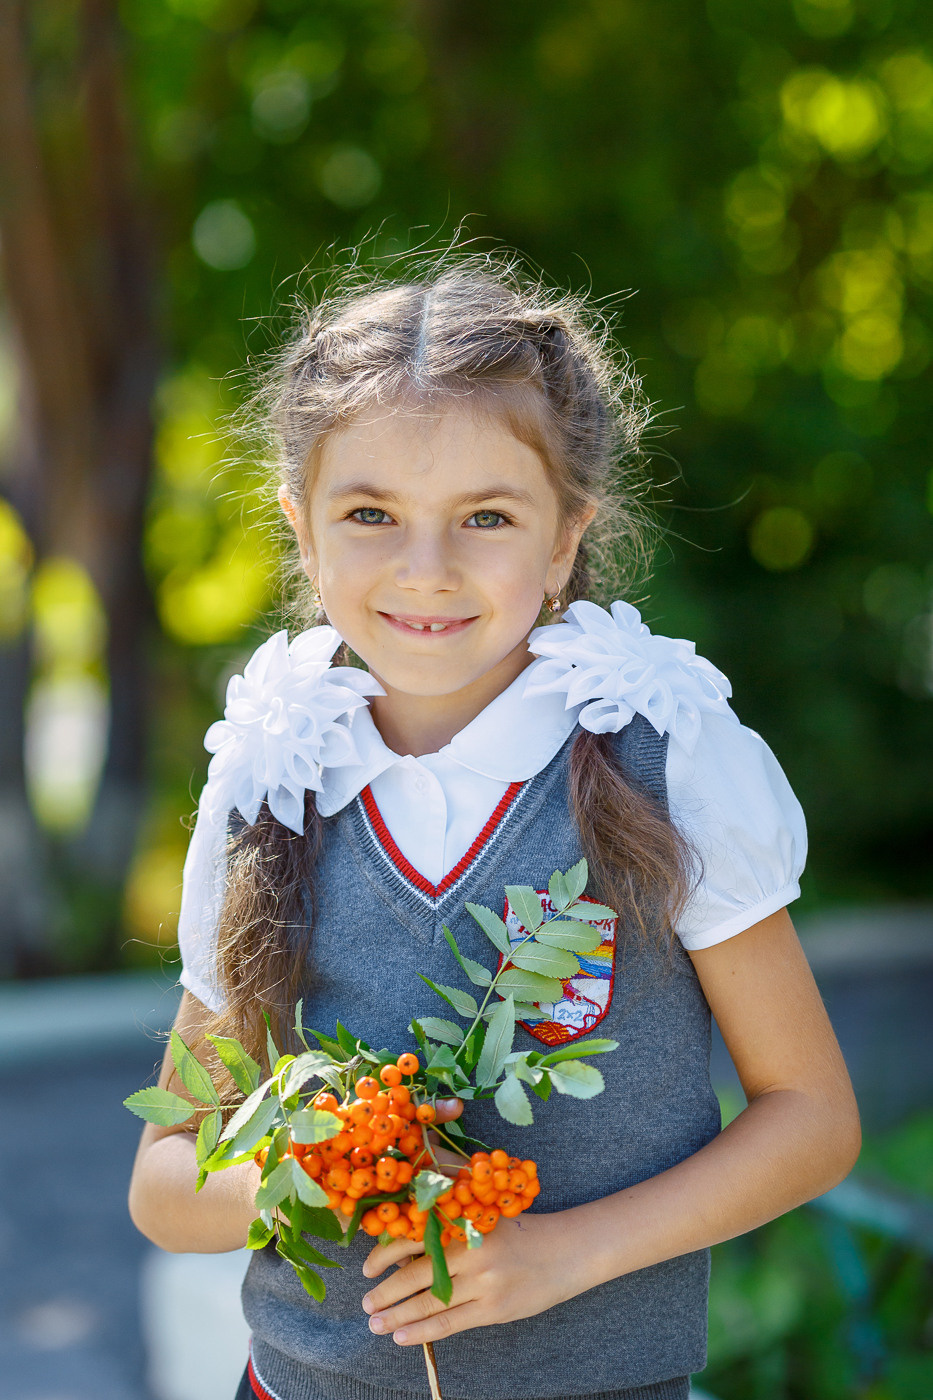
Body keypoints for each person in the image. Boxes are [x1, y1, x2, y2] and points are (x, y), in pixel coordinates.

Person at [128, 253, 861, 1400]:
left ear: (567, 535)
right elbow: (166, 1183)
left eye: (487, 515)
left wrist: (564, 1251)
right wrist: (307, 1163)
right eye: (369, 512)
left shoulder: (663, 754)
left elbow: (812, 1116)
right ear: (302, 529)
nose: (427, 568)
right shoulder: (269, 772)